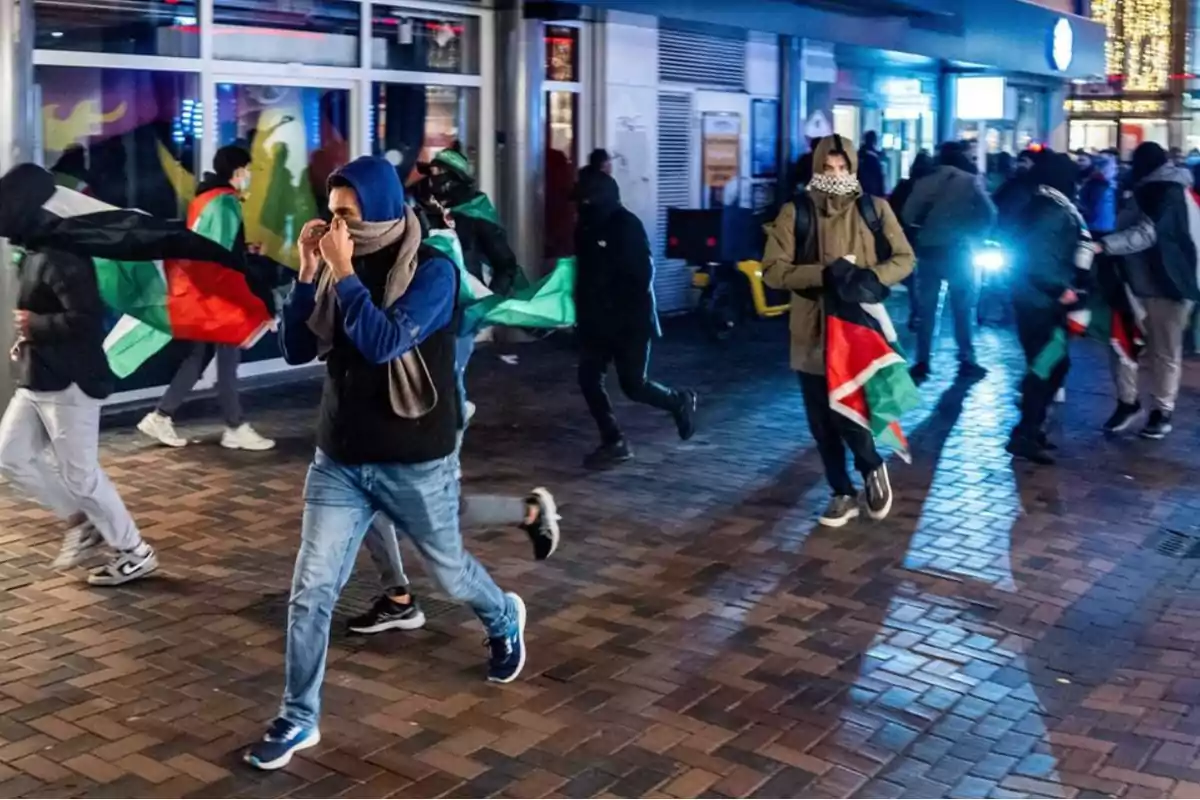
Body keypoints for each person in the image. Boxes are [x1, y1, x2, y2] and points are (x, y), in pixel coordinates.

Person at [246, 156, 527, 771]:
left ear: (377, 209)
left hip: (412, 458)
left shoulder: (433, 272)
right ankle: (298, 718)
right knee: (311, 591)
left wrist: (343, 273)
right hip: (340, 458)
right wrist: (307, 271)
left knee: (450, 574)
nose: (336, 225)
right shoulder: (333, 266)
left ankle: (504, 616)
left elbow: (381, 342)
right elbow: (296, 349)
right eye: (331, 213)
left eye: (347, 214)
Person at [0, 164, 158, 586]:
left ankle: (134, 551)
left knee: (81, 475)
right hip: (39, 375)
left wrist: (35, 326)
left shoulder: (60, 254)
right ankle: (80, 521)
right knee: (10, 455)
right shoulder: (35, 248)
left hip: (70, 382)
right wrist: (29, 336)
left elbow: (86, 320)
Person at [761, 134, 915, 527]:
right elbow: (774, 270)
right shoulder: (795, 212)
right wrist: (823, 275)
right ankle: (841, 491)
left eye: (842, 167)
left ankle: (871, 466)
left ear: (852, 166)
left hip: (858, 327)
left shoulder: (874, 209)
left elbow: (904, 258)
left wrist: (870, 278)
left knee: (852, 410)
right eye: (827, 168)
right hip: (811, 327)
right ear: (817, 168)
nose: (835, 174)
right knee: (820, 419)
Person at [137, 145, 275, 451]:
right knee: (227, 358)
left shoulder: (203, 199)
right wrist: (252, 290)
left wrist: (244, 249)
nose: (249, 176)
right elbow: (222, 257)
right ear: (237, 171)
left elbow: (211, 244)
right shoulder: (226, 204)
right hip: (217, 293)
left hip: (197, 290)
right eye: (247, 170)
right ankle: (235, 426)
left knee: (198, 356)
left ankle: (161, 415)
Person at [574, 168, 698, 468]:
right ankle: (613, 440)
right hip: (596, 322)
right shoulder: (585, 228)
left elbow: (642, 275)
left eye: (585, 201)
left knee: (633, 385)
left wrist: (609, 299)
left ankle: (678, 401)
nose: (580, 207)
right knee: (589, 378)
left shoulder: (626, 226)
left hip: (630, 322)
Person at [1093, 142, 1200, 439]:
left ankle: (1159, 410)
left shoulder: (1166, 191)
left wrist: (1105, 245)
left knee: (1161, 350)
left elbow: (1148, 233)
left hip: (1168, 286)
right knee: (1124, 344)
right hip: (1140, 281)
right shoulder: (1163, 188)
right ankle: (1136, 405)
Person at [412, 146, 519, 422]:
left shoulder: (476, 214)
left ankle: (452, 432)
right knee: (436, 373)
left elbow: (505, 263)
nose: (430, 180)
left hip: (463, 308)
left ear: (452, 177)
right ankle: (451, 422)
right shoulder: (425, 210)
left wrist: (489, 303)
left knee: (449, 372)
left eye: (436, 173)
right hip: (429, 306)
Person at [1007, 153, 1094, 464]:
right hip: (1041, 301)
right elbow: (1038, 258)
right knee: (1047, 365)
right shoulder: (1052, 211)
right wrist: (1063, 289)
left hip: (1036, 298)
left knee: (1050, 364)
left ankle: (1030, 428)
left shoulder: (1044, 205)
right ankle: (1025, 432)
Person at [903, 140, 997, 382]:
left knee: (927, 310)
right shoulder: (970, 181)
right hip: (959, 251)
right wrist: (974, 235)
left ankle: (922, 362)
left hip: (928, 251)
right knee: (963, 308)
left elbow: (907, 215)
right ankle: (967, 359)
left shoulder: (924, 180)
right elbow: (990, 213)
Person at [889, 151, 934, 330]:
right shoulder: (932, 189)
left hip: (906, 235)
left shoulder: (905, 186)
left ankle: (918, 311)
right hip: (925, 236)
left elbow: (892, 209)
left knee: (913, 276)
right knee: (923, 277)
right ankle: (920, 312)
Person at [1078, 153, 1118, 236]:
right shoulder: (1111, 184)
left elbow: (1083, 203)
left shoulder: (1092, 183)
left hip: (1092, 226)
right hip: (1108, 226)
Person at [857, 130, 887, 198]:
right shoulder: (872, 157)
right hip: (872, 191)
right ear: (874, 141)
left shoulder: (859, 155)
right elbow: (878, 177)